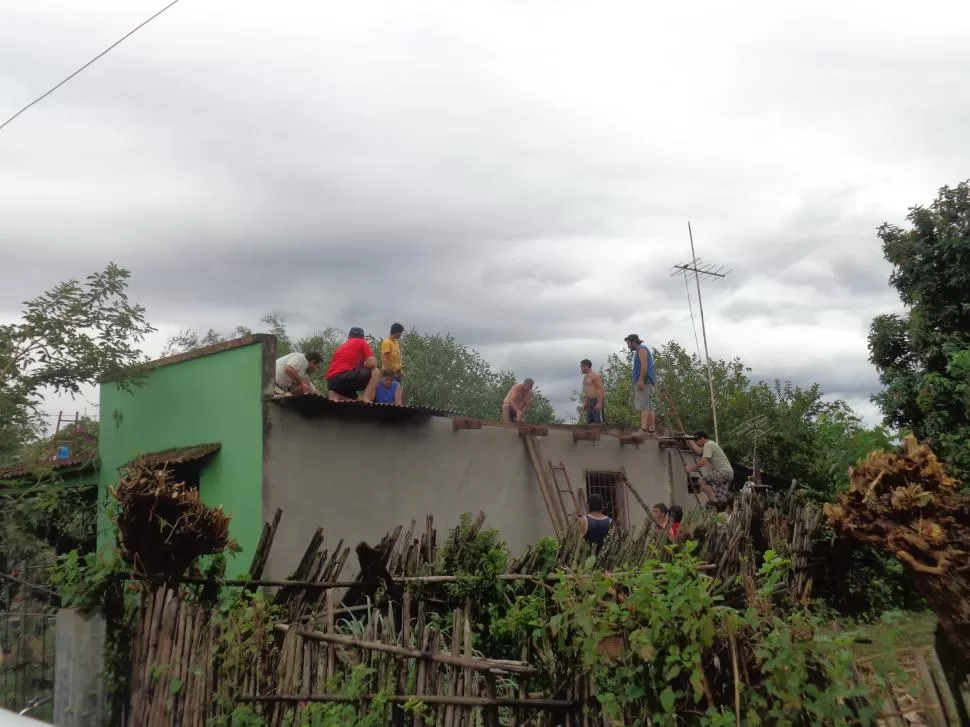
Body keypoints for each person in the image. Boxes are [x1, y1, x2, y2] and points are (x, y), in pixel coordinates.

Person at [325, 327, 380, 402]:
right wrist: (366, 364)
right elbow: (372, 363)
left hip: (331, 383)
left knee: (356, 400)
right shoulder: (361, 342)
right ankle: (366, 398)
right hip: (344, 378)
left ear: (349, 337)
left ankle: (336, 394)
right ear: (362, 338)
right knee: (375, 371)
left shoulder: (341, 347)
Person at [685, 430, 734, 503]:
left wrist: (691, 469)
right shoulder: (711, 444)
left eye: (697, 441)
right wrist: (689, 440)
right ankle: (720, 508)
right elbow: (698, 451)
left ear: (702, 438)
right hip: (729, 473)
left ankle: (713, 501)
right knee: (720, 497)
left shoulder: (708, 444)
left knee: (702, 481)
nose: (697, 443)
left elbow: (703, 462)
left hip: (723, 472)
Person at [623, 334, 656, 436]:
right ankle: (651, 430)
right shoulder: (640, 350)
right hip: (647, 381)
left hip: (645, 382)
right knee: (649, 406)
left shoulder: (641, 349)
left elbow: (644, 365)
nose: (628, 346)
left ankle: (643, 430)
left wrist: (641, 380)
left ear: (633, 342)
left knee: (644, 406)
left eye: (629, 343)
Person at [580, 359, 606, 425]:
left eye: (582, 367)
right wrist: (585, 403)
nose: (581, 368)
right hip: (589, 401)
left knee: (598, 423)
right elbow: (586, 391)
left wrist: (600, 403)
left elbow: (601, 389)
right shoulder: (585, 377)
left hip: (596, 400)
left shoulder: (595, 376)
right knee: (590, 422)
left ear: (586, 366)